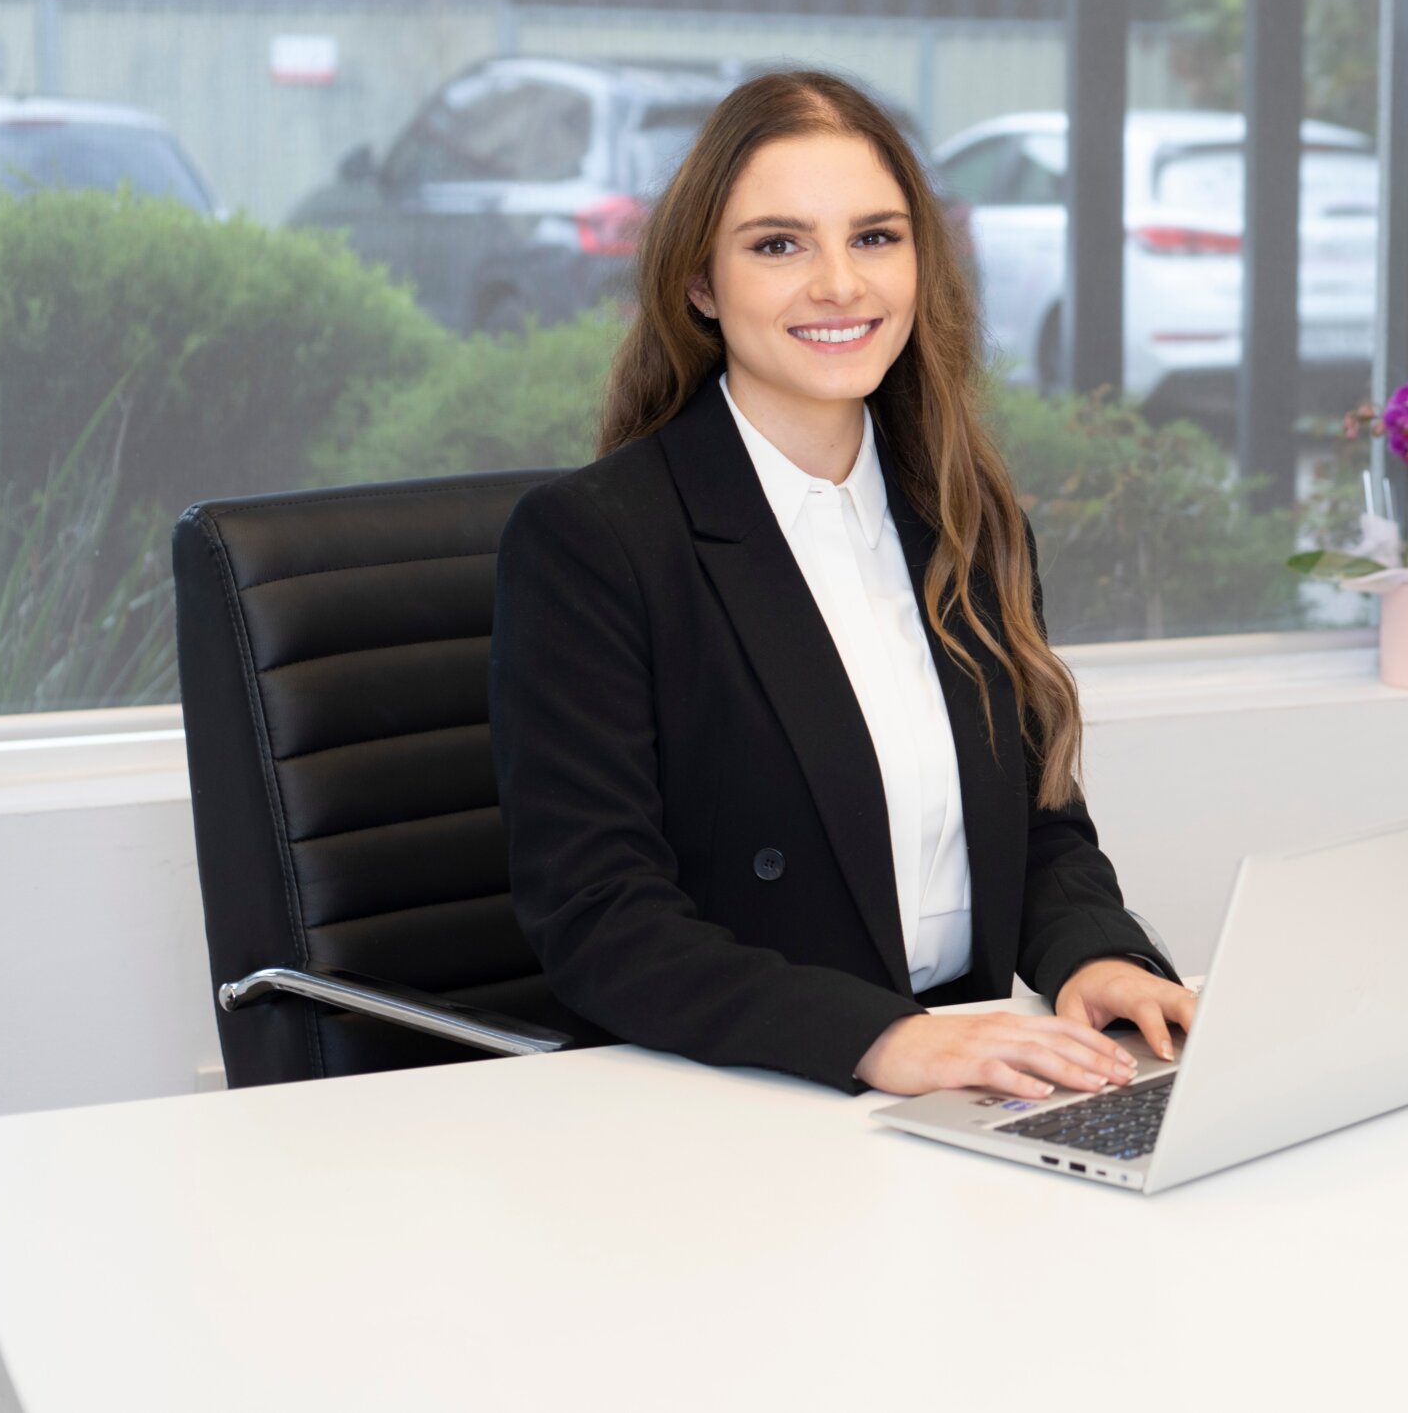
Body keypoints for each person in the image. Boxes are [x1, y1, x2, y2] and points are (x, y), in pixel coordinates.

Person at [490, 68, 1196, 1098]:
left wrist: (1095, 955)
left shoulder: (966, 518)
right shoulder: (593, 542)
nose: (840, 285)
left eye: (875, 237)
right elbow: (599, 916)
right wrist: (881, 1040)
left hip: (968, 1071)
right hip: (747, 1087)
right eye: (779, 244)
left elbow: (1038, 828)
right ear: (699, 285)